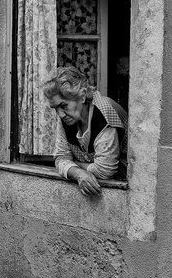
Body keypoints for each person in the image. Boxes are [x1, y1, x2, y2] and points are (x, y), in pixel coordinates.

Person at [43, 66, 128, 197]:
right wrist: (78, 173)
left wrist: (75, 164)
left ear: (82, 96)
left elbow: (105, 171)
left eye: (63, 105)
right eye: (55, 109)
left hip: (125, 186)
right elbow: (61, 158)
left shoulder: (103, 112)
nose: (60, 114)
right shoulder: (68, 116)